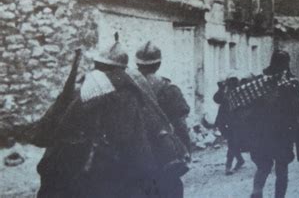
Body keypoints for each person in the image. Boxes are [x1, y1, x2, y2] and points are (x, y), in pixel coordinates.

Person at [34, 35, 188, 197]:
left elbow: (43, 133)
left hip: (59, 172)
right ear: (121, 69)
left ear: (96, 63)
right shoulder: (125, 93)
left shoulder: (76, 87)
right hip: (99, 174)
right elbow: (134, 143)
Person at [132, 41, 192, 198]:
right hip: (164, 153)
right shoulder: (169, 89)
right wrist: (185, 149)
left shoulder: (129, 86)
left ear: (137, 64)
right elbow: (180, 125)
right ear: (158, 64)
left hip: (136, 154)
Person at [249, 50, 299, 198]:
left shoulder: (261, 81)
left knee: (263, 166)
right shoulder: (292, 83)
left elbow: (252, 106)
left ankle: (257, 191)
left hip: (262, 132)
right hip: (284, 133)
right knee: (282, 168)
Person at [214, 71, 245, 175]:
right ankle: (240, 160)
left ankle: (228, 165)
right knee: (232, 142)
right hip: (224, 121)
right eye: (231, 81)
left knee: (232, 142)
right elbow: (217, 99)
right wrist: (220, 88)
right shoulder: (225, 92)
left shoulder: (241, 92)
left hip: (236, 121)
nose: (233, 84)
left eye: (234, 81)